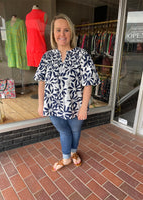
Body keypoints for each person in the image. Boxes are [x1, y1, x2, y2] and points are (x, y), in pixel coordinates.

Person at [34, 13, 100, 171]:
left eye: (66, 30)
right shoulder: (47, 56)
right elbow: (41, 82)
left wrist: (84, 107)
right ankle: (67, 158)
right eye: (58, 30)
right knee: (64, 131)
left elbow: (88, 83)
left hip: (76, 105)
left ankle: (72, 153)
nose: (62, 34)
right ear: (53, 34)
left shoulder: (82, 55)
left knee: (75, 130)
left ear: (71, 33)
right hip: (53, 106)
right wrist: (41, 104)